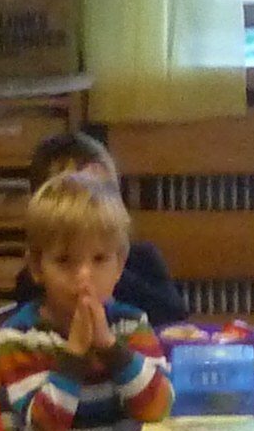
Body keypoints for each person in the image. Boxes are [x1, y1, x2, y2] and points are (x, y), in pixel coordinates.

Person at [0, 176, 171, 431]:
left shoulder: (131, 326)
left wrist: (110, 347)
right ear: (37, 266)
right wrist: (74, 353)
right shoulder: (19, 338)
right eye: (65, 261)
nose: (83, 277)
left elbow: (158, 406)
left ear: (119, 264)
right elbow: (45, 428)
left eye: (99, 259)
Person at [27, 127, 185, 327]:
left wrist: (112, 265)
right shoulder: (39, 272)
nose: (84, 274)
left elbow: (174, 315)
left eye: (106, 192)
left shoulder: (142, 256)